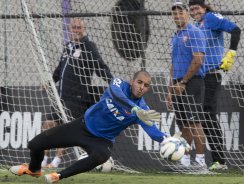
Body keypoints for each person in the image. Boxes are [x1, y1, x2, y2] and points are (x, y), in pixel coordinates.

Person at [9, 71, 169, 183]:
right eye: (139, 82)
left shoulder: (143, 110)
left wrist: (166, 140)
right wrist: (134, 108)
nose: (141, 87)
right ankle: (34, 169)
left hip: (102, 140)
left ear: (148, 89)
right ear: (132, 81)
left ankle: (58, 176)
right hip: (82, 127)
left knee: (102, 156)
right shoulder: (119, 84)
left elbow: (152, 131)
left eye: (146, 85)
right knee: (35, 145)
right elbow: (115, 94)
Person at [41, 18, 113, 168]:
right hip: (61, 96)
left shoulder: (89, 46)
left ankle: (56, 162)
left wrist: (113, 83)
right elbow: (59, 69)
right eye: (74, 27)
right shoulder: (68, 46)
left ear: (84, 29)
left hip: (77, 97)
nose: (76, 30)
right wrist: (50, 82)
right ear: (70, 29)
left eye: (79, 27)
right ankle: (43, 160)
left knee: (67, 129)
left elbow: (100, 67)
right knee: (48, 124)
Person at [188, 0, 241, 170]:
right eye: (191, 10)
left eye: (196, 8)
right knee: (203, 115)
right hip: (201, 76)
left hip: (212, 74)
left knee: (208, 114)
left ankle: (220, 161)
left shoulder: (211, 17)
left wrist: (231, 53)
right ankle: (214, 160)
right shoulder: (197, 24)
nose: (194, 11)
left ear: (204, 8)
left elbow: (236, 30)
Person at [166, 1, 207, 169]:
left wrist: (183, 82)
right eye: (174, 13)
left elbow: (198, 60)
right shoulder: (175, 36)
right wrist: (170, 89)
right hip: (177, 84)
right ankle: (184, 161)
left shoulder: (194, 32)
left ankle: (200, 162)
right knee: (183, 124)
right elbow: (173, 64)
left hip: (192, 83)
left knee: (194, 122)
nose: (177, 15)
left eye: (180, 12)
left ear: (187, 14)